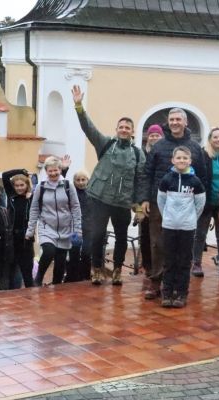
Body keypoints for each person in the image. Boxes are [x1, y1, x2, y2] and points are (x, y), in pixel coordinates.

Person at [72, 85, 146, 286]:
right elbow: (88, 128)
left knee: (121, 238)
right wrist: (79, 106)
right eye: (121, 127)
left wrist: (139, 205)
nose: (124, 129)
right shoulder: (105, 143)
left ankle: (117, 270)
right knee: (97, 236)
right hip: (99, 198)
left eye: (127, 128)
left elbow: (140, 181)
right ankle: (96, 269)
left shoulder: (138, 154)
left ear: (132, 132)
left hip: (122, 203)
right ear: (117, 130)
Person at [142, 108, 207, 300]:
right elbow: (147, 173)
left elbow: (202, 177)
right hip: (158, 204)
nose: (175, 122)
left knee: (181, 250)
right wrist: (145, 199)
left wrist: (198, 210)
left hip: (186, 207)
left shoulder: (195, 148)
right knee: (157, 244)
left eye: (178, 119)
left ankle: (179, 287)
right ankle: (156, 284)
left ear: (186, 122)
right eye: (172, 119)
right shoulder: (159, 146)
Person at [157, 146, 206, 308]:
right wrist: (168, 217)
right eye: (178, 158)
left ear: (190, 161)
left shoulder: (195, 181)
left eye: (185, 158)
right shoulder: (166, 180)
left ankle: (181, 293)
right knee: (169, 260)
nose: (181, 161)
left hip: (187, 227)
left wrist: (191, 218)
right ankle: (167, 292)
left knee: (184, 261)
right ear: (173, 160)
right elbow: (161, 201)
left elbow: (200, 204)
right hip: (169, 226)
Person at [26, 156, 82, 286]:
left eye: (55, 170)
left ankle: (57, 287)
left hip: (65, 228)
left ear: (60, 169)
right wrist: (30, 230)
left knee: (60, 262)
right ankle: (39, 278)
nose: (53, 173)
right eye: (50, 171)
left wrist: (77, 230)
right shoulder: (41, 187)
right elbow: (34, 209)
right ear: (46, 171)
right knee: (49, 251)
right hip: (47, 227)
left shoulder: (68, 186)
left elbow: (75, 208)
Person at [192, 127, 219, 279]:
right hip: (206, 202)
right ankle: (196, 263)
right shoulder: (203, 155)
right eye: (215, 137)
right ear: (210, 139)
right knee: (200, 234)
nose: (218, 140)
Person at [2, 168, 36, 288]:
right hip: (12, 239)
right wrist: (21, 171)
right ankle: (13, 296)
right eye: (17, 186)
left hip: (26, 239)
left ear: (27, 185)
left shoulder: (32, 198)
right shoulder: (11, 195)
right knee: (12, 270)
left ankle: (30, 297)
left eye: (22, 185)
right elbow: (5, 175)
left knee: (27, 272)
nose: (19, 188)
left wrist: (31, 194)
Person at [139, 125, 164, 274]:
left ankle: (157, 265)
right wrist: (138, 204)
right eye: (151, 135)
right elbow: (139, 179)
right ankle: (147, 265)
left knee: (157, 234)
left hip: (157, 200)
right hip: (141, 201)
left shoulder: (163, 153)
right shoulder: (142, 153)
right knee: (144, 233)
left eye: (157, 135)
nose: (154, 137)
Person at [66, 170, 92, 282]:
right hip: (74, 228)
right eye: (78, 180)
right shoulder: (71, 193)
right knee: (74, 252)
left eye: (83, 179)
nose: (81, 182)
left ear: (87, 180)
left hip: (89, 228)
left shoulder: (92, 194)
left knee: (86, 253)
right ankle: (72, 277)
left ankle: (85, 276)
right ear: (74, 181)